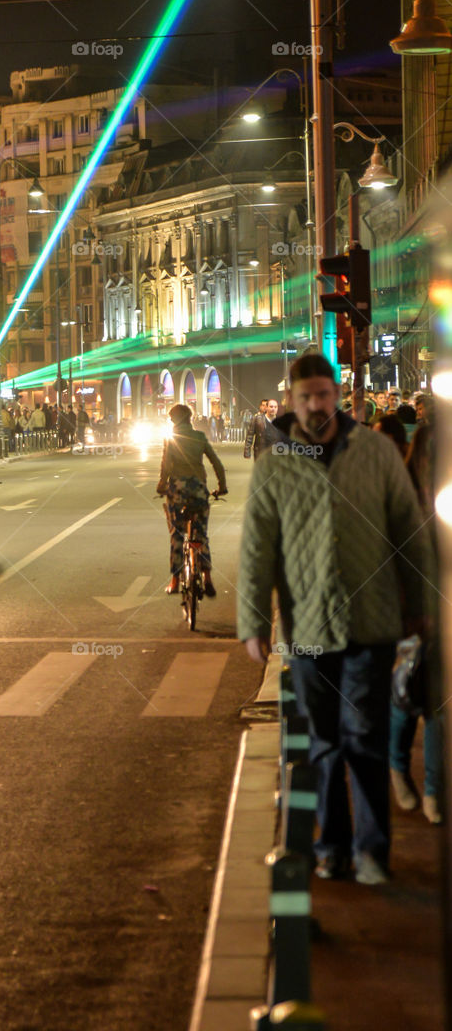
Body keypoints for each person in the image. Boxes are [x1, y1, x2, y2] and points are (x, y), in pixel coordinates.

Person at [237, 353, 433, 885]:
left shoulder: (374, 451)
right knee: (323, 741)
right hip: (306, 626)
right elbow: (258, 547)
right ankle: (332, 848)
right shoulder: (276, 464)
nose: (317, 405)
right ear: (292, 400)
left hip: (371, 624)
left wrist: (421, 607)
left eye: (324, 394)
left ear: (338, 393)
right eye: (306, 397)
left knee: (364, 734)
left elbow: (408, 530)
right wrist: (255, 621)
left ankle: (372, 852)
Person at [389, 417, 443, 825]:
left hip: (444, 612)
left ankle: (434, 790)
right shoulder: (402, 498)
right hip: (410, 613)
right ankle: (397, 769)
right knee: (407, 696)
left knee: (439, 704)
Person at [157, 402, 227, 598]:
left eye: (171, 419)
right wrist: (222, 487)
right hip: (199, 489)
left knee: (177, 534)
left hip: (177, 490)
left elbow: (166, 465)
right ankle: (207, 578)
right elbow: (217, 463)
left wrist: (162, 484)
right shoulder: (200, 437)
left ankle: (175, 581)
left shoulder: (171, 439)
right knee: (201, 534)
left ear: (175, 420)